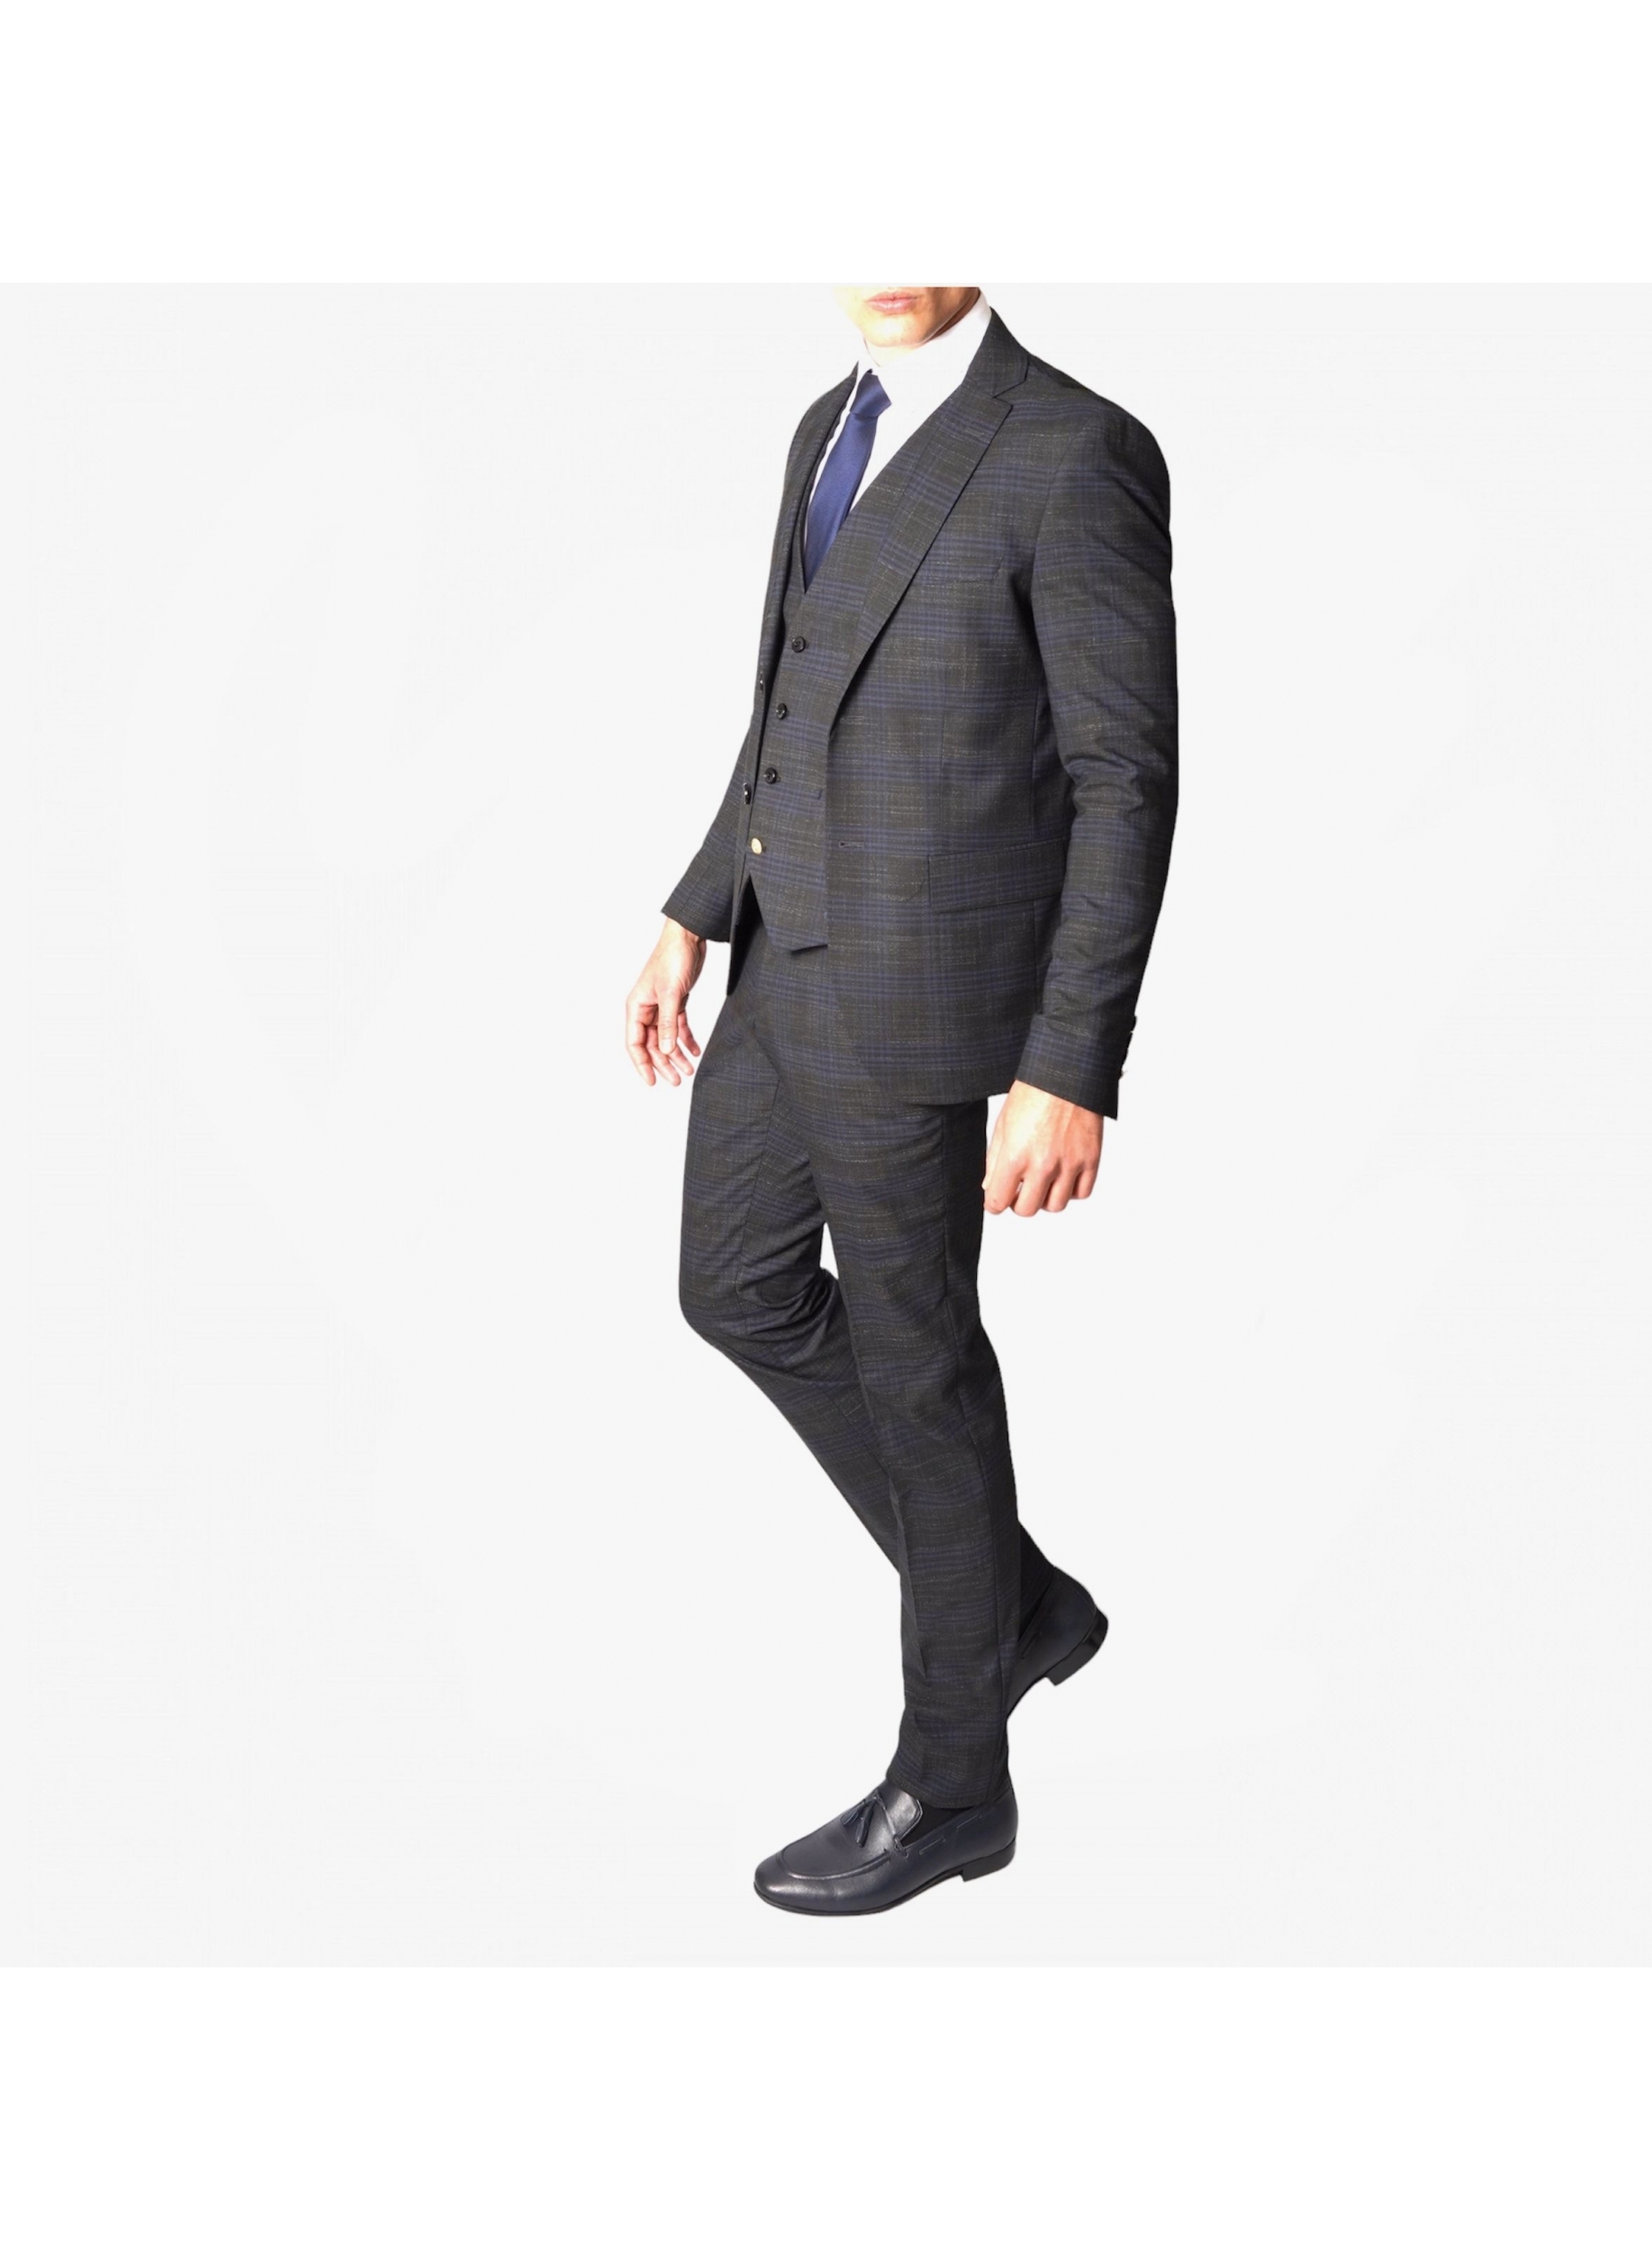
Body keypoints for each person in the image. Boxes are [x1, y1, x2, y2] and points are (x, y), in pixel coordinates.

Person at [624, 285, 1178, 1916]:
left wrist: (1069, 1062)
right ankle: (1013, 1606)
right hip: (781, 965)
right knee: (733, 1287)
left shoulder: (1075, 449)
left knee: (920, 1366)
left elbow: (1126, 778)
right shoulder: (827, 427)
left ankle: (954, 1783)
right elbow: (785, 708)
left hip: (927, 996)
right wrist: (694, 906)